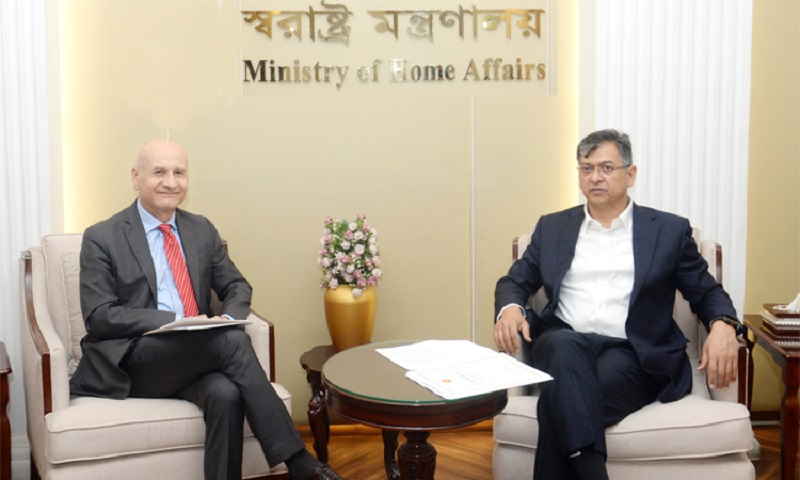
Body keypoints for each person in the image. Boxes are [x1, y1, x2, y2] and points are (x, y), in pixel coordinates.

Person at [69, 139, 345, 480]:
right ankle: (299, 462)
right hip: (134, 361)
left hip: (193, 355)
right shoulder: (102, 237)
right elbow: (99, 316)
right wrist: (177, 321)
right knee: (232, 341)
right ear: (136, 177)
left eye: (179, 173)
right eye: (159, 172)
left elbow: (237, 285)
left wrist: (227, 318)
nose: (171, 182)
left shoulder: (200, 229)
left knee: (225, 394)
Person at [493, 129, 742, 480]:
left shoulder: (667, 231)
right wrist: (511, 309)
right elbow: (513, 282)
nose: (595, 177)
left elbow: (707, 292)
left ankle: (586, 465)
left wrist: (723, 325)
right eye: (586, 168)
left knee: (561, 401)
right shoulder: (552, 228)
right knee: (562, 344)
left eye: (607, 167)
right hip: (562, 341)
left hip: (632, 354)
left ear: (631, 174)